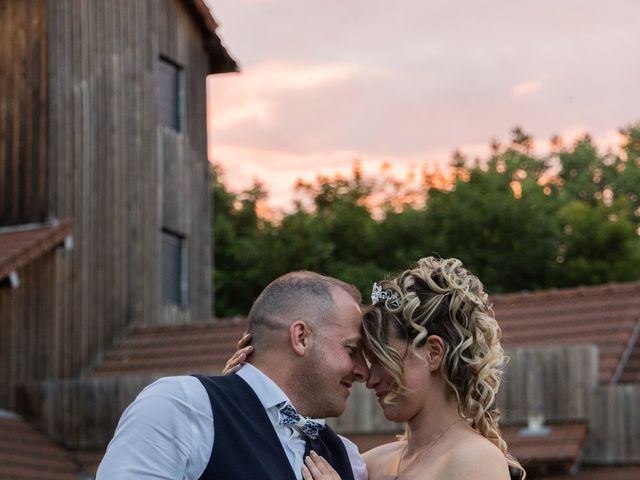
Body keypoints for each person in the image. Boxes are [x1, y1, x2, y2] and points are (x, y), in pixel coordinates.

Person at [228, 257, 525, 480]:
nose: (369, 377)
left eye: (383, 358)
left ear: (433, 352)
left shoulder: (475, 461)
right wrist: (241, 392)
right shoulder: (368, 464)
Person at [96, 271, 370, 480]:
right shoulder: (183, 406)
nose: (363, 371)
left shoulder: (347, 458)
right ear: (301, 338)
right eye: (351, 350)